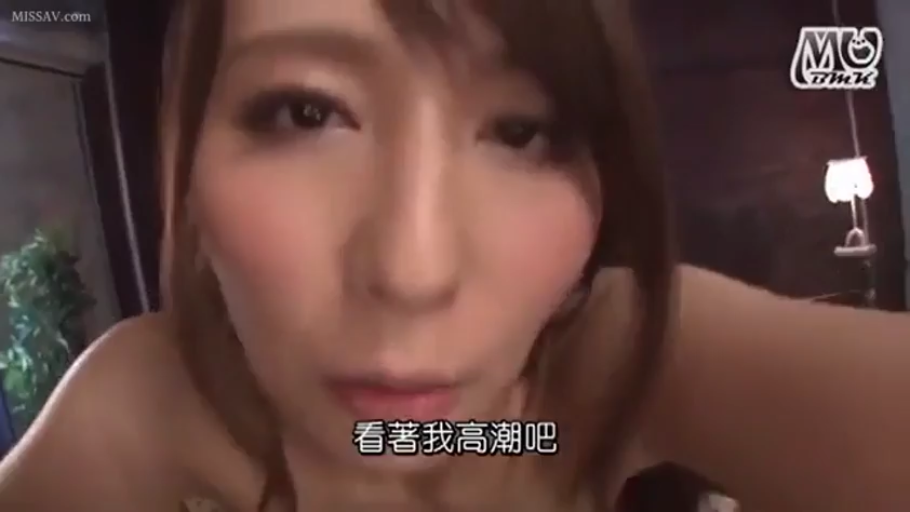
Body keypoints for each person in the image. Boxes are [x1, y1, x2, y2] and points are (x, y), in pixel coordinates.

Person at [1, 0, 909, 511]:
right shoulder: (148, 406)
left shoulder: (604, 371)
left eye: (521, 130)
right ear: (187, 170)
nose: (414, 271)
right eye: (306, 112)